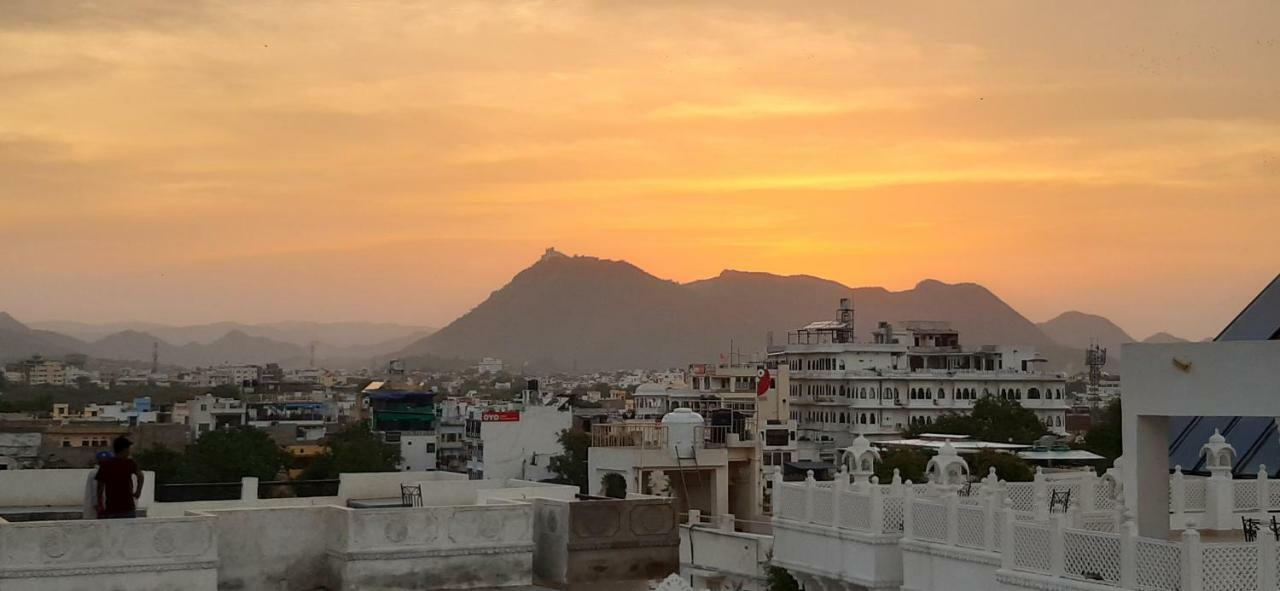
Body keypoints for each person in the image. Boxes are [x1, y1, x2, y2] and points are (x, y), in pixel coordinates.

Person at [96, 436, 144, 519]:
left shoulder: (105, 464)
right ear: (124, 449)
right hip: (127, 506)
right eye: (128, 448)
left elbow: (100, 486)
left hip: (111, 507)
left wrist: (100, 503)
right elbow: (140, 475)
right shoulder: (130, 463)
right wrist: (138, 491)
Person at [82, 450, 113, 519]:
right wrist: (98, 505)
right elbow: (95, 491)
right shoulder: (96, 472)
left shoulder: (96, 472)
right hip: (97, 510)